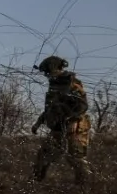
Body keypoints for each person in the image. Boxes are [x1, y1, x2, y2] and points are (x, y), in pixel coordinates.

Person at [31, 55, 91, 184]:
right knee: (43, 155)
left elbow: (82, 105)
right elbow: (51, 108)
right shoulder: (55, 84)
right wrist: (38, 123)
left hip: (75, 127)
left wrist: (73, 120)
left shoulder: (71, 82)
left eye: (47, 72)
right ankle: (35, 184)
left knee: (76, 158)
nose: (46, 75)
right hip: (58, 126)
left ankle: (85, 188)